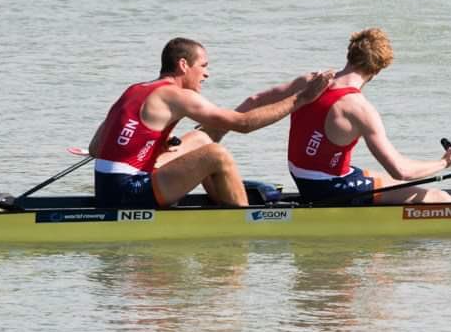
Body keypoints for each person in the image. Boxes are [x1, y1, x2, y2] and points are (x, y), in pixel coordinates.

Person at [221, 28, 451, 204]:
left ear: (350, 54)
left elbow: (255, 100)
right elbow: (401, 171)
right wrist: (444, 162)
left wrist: (212, 129)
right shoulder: (359, 109)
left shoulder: (311, 80)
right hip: (328, 189)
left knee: (386, 183)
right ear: (377, 70)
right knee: (439, 198)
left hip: (302, 176)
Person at [88, 37, 332, 208]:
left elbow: (95, 149)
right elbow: (243, 124)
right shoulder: (177, 95)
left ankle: (222, 198)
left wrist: (149, 147)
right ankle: (246, 220)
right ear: (183, 65)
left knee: (200, 138)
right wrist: (303, 98)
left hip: (110, 185)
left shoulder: (136, 89)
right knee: (216, 154)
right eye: (203, 66)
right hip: (127, 194)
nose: (207, 73)